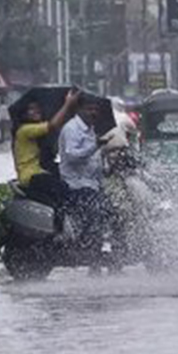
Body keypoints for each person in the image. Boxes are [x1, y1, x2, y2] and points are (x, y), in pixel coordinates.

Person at [58, 96, 120, 251]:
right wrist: (95, 146)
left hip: (92, 184)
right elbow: (72, 156)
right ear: (79, 110)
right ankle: (87, 246)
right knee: (96, 212)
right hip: (76, 184)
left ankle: (100, 249)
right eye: (89, 109)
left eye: (95, 109)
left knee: (112, 212)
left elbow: (94, 160)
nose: (93, 112)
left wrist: (107, 169)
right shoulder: (71, 129)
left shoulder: (91, 129)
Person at [12, 90, 79, 208]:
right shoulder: (25, 130)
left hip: (41, 171)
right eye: (31, 109)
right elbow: (52, 125)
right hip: (31, 176)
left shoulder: (39, 135)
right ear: (23, 114)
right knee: (62, 193)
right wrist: (67, 104)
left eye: (38, 108)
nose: (36, 110)